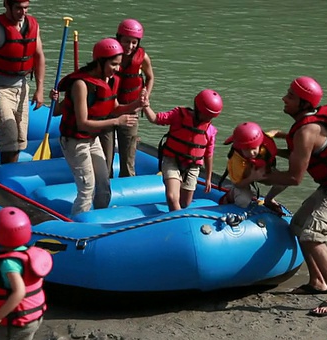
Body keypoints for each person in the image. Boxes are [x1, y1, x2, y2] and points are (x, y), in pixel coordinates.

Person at [258, 76, 327, 317]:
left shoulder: (307, 130)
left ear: (305, 104)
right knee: (297, 226)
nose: (284, 99)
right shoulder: (306, 127)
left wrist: (259, 178)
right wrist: (268, 196)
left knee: (312, 236)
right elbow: (302, 157)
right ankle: (317, 281)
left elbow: (294, 178)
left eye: (290, 96)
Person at [49, 38, 146, 217]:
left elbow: (115, 107)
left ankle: (98, 218)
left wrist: (136, 104)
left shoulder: (111, 80)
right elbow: (82, 123)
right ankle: (78, 226)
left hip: (92, 139)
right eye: (113, 64)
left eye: (118, 64)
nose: (117, 69)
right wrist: (117, 122)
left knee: (103, 185)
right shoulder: (81, 85)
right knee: (87, 188)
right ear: (100, 62)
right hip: (74, 141)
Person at [0, 0, 46, 164]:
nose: (23, 12)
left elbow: (39, 56)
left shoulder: (33, 24)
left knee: (19, 140)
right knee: (11, 140)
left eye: (25, 8)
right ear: (7, 5)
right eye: (18, 8)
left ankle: (8, 164)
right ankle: (6, 175)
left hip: (23, 86)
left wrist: (40, 89)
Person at [0, 206, 53, 340]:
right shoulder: (27, 254)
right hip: (34, 317)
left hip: (17, 321)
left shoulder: (8, 263)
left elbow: (19, 291)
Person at [142, 89, 222, 211]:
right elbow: (155, 119)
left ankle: (179, 193)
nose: (208, 119)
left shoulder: (210, 131)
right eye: (206, 115)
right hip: (172, 160)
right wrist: (146, 106)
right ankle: (178, 222)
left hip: (192, 166)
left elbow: (208, 155)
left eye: (211, 117)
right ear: (198, 109)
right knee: (172, 197)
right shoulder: (178, 115)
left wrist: (208, 178)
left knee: (184, 203)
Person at [99, 19, 155, 178]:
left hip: (131, 111)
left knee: (128, 158)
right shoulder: (107, 54)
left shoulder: (142, 58)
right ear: (118, 39)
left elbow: (150, 77)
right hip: (107, 111)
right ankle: (104, 187)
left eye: (134, 42)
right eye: (126, 41)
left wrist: (145, 97)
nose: (130, 46)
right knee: (105, 157)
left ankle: (126, 187)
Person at [220, 122, 282, 210]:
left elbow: (274, 133)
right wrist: (252, 177)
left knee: (286, 180)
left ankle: (269, 199)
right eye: (246, 149)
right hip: (244, 178)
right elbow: (238, 184)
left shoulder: (262, 140)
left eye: (254, 148)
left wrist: (290, 137)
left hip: (262, 172)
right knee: (243, 201)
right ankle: (229, 196)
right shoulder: (237, 161)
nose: (251, 153)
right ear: (240, 147)